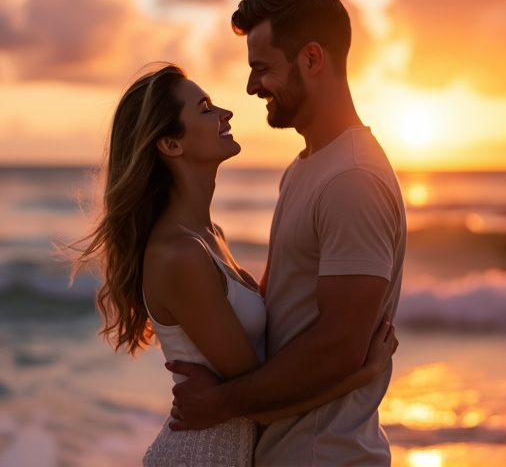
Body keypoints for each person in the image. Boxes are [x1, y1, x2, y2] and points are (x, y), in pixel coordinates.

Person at [71, 62, 398, 466]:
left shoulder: (211, 237)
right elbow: (258, 404)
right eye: (206, 108)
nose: (225, 113)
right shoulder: (179, 254)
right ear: (171, 144)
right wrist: (364, 375)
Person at [167, 0, 407, 467]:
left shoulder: (351, 180)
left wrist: (219, 403)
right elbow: (281, 315)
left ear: (312, 59)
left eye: (262, 67)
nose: (252, 86)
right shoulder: (306, 168)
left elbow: (338, 347)